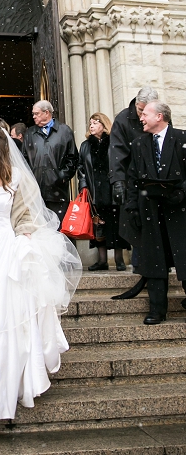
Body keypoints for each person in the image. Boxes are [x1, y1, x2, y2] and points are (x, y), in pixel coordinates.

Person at [0, 121, 82, 419]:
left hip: (4, 246)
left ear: (0, 148)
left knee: (1, 310)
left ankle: (1, 379)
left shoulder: (16, 177)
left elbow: (24, 215)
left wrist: (27, 234)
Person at [123, 101, 186, 324]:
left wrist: (181, 193)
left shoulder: (182, 139)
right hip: (149, 210)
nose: (141, 118)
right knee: (154, 261)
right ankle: (157, 310)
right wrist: (132, 207)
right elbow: (132, 178)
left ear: (159, 116)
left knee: (184, 257)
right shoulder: (139, 143)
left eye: (145, 114)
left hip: (179, 211)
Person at [109, 87, 158, 300]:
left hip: (157, 181)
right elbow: (117, 153)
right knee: (137, 225)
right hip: (134, 182)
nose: (142, 115)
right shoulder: (123, 119)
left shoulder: (159, 115)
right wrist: (118, 181)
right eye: (140, 110)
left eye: (146, 110)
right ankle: (139, 265)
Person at [78, 112, 128, 271]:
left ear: (104, 125)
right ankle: (102, 260)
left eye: (95, 123)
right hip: (95, 191)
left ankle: (119, 259)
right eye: (90, 123)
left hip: (113, 190)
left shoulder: (114, 143)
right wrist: (84, 186)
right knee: (98, 225)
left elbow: (121, 164)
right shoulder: (85, 146)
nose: (91, 126)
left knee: (117, 224)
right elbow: (82, 169)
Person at [24, 100, 78, 222]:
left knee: (59, 229)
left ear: (46, 113)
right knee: (40, 229)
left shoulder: (64, 131)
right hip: (36, 192)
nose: (33, 116)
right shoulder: (30, 133)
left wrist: (62, 176)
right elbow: (24, 159)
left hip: (58, 191)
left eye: (36, 113)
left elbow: (72, 157)